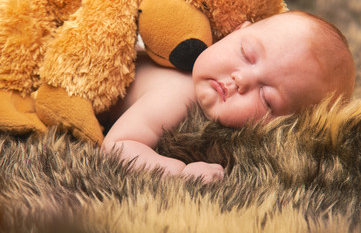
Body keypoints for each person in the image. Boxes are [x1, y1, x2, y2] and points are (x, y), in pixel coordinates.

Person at [100, 10, 355, 183]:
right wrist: (180, 171)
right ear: (234, 31)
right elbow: (117, 146)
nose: (241, 80)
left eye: (266, 97)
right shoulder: (178, 94)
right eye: (246, 54)